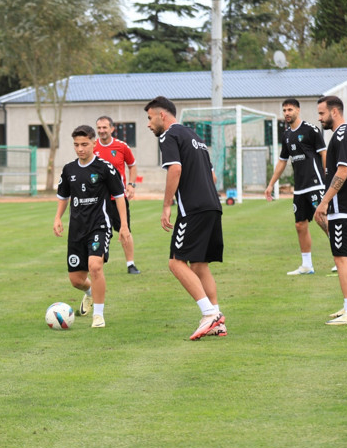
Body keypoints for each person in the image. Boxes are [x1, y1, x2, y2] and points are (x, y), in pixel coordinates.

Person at [145, 96, 225, 340]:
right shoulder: (196, 137)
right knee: (199, 265)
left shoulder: (168, 136)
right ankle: (218, 320)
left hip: (193, 209)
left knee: (175, 262)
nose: (148, 124)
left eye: (149, 118)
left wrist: (167, 206)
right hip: (213, 205)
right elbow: (212, 178)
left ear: (162, 115)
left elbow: (175, 169)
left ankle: (209, 314)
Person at [54, 125, 130, 328]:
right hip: (76, 229)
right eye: (76, 145)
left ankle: (98, 315)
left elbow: (120, 196)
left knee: (95, 267)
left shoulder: (105, 168)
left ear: (94, 143)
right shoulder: (69, 169)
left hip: (99, 225)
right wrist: (57, 218)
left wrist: (123, 226)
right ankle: (89, 293)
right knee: (76, 280)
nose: (80, 149)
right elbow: (63, 196)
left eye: (84, 144)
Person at [314, 96, 347, 325]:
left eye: (322, 113)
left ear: (334, 112)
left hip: (342, 207)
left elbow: (343, 172)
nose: (319, 118)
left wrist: (325, 202)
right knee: (342, 256)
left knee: (341, 258)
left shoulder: (343, 134)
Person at [264, 98, 329, 275]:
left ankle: (341, 257)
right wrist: (270, 185)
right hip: (299, 187)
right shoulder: (286, 136)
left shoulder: (311, 130)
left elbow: (324, 154)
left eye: (290, 110)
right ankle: (307, 265)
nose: (286, 113)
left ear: (298, 111)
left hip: (315, 184)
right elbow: (282, 162)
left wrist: (328, 178)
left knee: (322, 219)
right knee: (300, 225)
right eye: (284, 110)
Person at [93, 116, 141, 275]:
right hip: (98, 200)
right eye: (99, 128)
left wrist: (131, 185)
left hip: (117, 199)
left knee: (124, 229)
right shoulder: (92, 147)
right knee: (95, 232)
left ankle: (131, 264)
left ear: (112, 129)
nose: (101, 131)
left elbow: (132, 166)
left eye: (104, 128)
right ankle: (94, 264)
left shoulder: (121, 146)